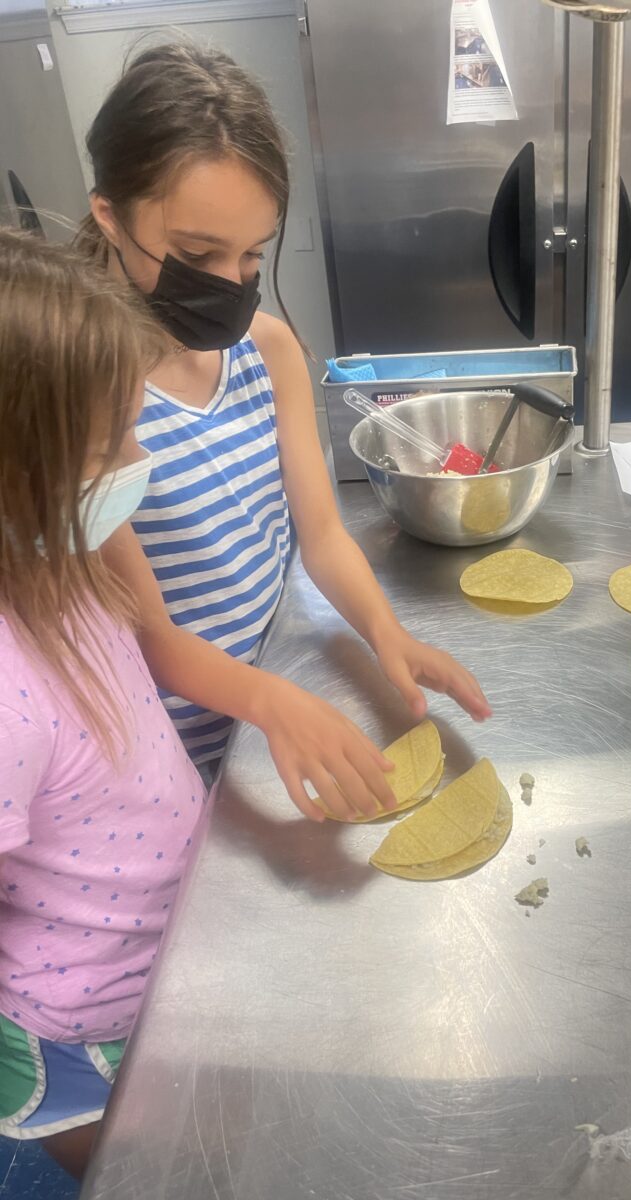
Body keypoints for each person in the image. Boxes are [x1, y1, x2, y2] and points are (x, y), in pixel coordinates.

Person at [76, 42, 491, 818]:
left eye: (250, 256)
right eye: (197, 254)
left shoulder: (267, 352)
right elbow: (150, 639)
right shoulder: (87, 399)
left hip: (285, 688)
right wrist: (268, 705)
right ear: (110, 214)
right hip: (182, 747)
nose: (230, 283)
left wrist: (383, 632)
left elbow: (322, 534)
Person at [0, 229, 212, 1178]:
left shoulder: (68, 556)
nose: (135, 462)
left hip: (158, 970)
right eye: (106, 445)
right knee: (139, 1173)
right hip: (75, 1022)